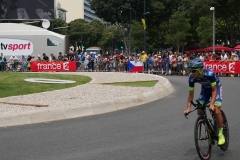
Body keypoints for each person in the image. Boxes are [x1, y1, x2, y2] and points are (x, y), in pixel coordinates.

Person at [183, 58, 225, 145]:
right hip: (205, 90)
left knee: (216, 111)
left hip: (215, 88)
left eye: (193, 71)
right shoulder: (191, 78)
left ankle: (221, 134)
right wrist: (188, 108)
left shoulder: (209, 74)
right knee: (199, 110)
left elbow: (214, 91)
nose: (192, 73)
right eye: (190, 70)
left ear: (200, 69)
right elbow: (191, 94)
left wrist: (212, 104)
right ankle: (208, 123)